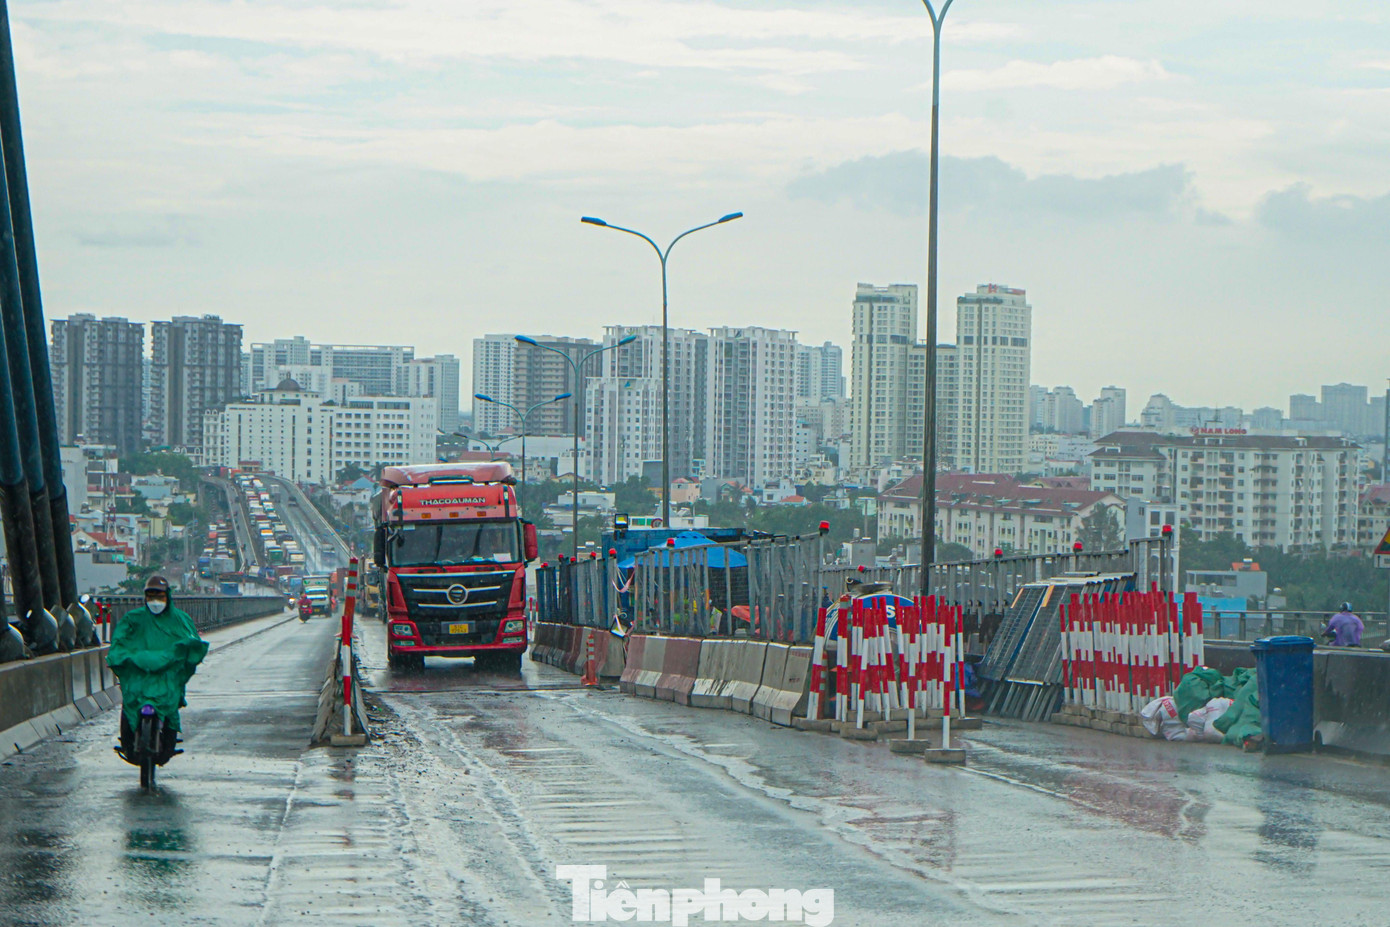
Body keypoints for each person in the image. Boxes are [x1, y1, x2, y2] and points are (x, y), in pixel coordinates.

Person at [107, 575, 210, 764]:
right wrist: (121, 656)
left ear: (167, 597)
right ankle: (128, 742)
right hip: (140, 675)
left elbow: (192, 640)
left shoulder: (179, 620)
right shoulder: (133, 619)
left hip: (167, 677)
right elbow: (119, 641)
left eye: (160, 596)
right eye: (151, 596)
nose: (155, 601)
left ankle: (168, 743)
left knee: (170, 706)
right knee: (129, 701)